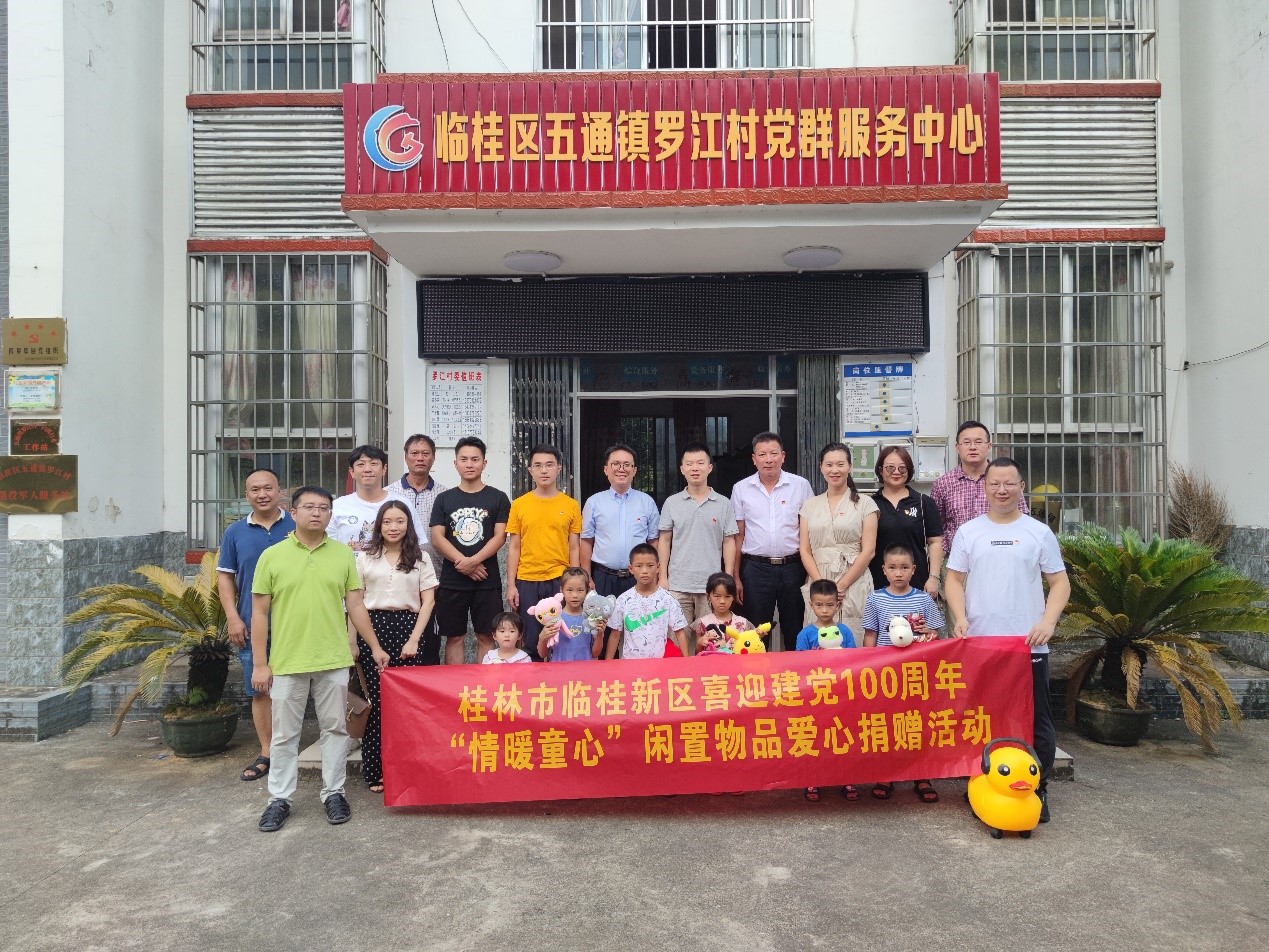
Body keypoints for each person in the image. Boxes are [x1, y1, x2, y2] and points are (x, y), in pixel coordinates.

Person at [251, 486, 389, 833]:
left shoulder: (343, 555)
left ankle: (334, 792)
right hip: (287, 661)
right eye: (309, 507)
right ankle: (279, 799)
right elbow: (259, 613)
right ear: (293, 512)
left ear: (330, 514)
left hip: (333, 659)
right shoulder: (272, 556)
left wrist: (374, 646)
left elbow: (355, 604)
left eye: (324, 508)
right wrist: (260, 664)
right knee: (285, 735)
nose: (317, 512)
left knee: (336, 730)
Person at [944, 457, 1070, 824]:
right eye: (995, 483)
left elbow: (1060, 583)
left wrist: (1048, 622)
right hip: (981, 643)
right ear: (984, 488)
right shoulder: (969, 532)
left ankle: (1037, 787)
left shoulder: (1038, 532)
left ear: (1021, 487)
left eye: (1009, 483)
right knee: (980, 716)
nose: (1002, 490)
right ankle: (981, 784)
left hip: (1027, 644)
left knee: (1036, 719)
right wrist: (960, 617)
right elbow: (954, 579)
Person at [216, 467, 295, 783]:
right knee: (261, 689)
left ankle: (292, 749)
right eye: (255, 489)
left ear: (280, 491)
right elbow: (226, 577)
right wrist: (233, 617)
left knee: (298, 689)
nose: (262, 494)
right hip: (252, 624)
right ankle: (267, 752)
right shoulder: (235, 532)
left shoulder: (297, 525)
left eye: (268, 488)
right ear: (247, 494)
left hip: (296, 625)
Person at [354, 500, 438, 795]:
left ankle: (406, 768)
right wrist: (355, 641)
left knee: (406, 705)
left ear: (408, 525)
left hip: (408, 629)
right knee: (377, 703)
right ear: (379, 525)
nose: (393, 527)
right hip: (372, 629)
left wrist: (414, 639)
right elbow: (355, 603)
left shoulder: (420, 557)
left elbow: (428, 601)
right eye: (387, 521)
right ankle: (375, 768)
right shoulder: (365, 557)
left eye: (400, 521)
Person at [862, 543, 945, 804]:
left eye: (904, 568)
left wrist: (928, 630)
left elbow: (937, 635)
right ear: (884, 570)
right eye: (893, 567)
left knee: (918, 724)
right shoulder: (875, 598)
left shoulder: (923, 599)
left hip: (916, 674)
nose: (899, 573)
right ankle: (886, 774)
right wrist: (867, 666)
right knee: (887, 725)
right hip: (885, 675)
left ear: (914, 570)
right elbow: (870, 634)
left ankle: (922, 775)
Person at [430, 437, 512, 666]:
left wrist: (473, 561)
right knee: (454, 637)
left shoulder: (498, 497)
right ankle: (455, 685)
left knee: (486, 635)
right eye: (464, 459)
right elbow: (437, 538)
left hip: (487, 578)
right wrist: (464, 564)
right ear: (455, 463)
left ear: (484, 463)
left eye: (475, 459)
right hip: (452, 579)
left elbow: (500, 537)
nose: (469, 464)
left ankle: (483, 685)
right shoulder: (444, 499)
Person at [731, 432, 813, 651]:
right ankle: (759, 673)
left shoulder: (800, 486)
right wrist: (736, 576)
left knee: (795, 628)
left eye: (774, 453)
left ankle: (796, 672)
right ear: (754, 459)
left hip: (793, 567)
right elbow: (738, 535)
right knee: (756, 633)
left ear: (783, 456)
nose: (769, 459)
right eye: (762, 454)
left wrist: (809, 571)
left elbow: (809, 532)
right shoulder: (741, 489)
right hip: (755, 569)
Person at [506, 444, 582, 661]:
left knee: (563, 638)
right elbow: (514, 547)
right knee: (531, 641)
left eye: (549, 465)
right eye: (538, 465)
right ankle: (534, 681)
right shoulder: (519, 505)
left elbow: (574, 546)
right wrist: (511, 584)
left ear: (559, 468)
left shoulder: (571, 505)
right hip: (527, 580)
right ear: (530, 470)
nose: (544, 470)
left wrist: (575, 581)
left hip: (560, 580)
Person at [657, 442, 739, 639]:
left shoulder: (723, 503)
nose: (695, 468)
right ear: (682, 469)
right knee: (678, 641)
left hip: (712, 587)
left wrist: (727, 577)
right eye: (690, 463)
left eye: (700, 463)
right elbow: (664, 540)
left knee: (712, 642)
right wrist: (663, 578)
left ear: (709, 467)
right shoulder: (672, 502)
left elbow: (729, 541)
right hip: (677, 585)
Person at [798, 442, 878, 638]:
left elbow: (869, 550)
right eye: (829, 465)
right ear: (821, 467)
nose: (835, 470)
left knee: (854, 634)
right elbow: (805, 550)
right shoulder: (809, 505)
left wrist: (841, 585)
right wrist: (822, 586)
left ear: (850, 466)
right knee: (818, 637)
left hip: (853, 578)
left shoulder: (866, 504)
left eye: (840, 464)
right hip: (819, 576)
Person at [386, 433, 448, 666]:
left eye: (425, 453)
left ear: (433, 457)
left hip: (434, 576)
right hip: (396, 577)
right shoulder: (389, 493)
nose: (420, 458)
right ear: (406, 457)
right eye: (414, 453)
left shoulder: (445, 495)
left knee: (430, 638)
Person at [795, 578, 858, 802]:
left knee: (842, 735)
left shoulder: (844, 632)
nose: (824, 610)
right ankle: (812, 779)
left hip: (839, 695)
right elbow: (799, 666)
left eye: (830, 605)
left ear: (837, 605)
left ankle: (847, 778)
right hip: (815, 696)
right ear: (811, 604)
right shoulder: (805, 635)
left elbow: (854, 660)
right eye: (819, 605)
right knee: (815, 737)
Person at [931, 421, 1028, 557]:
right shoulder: (943, 483)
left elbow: (1022, 518)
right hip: (956, 558)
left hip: (1001, 555)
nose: (972, 447)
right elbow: (935, 526)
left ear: (989, 446)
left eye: (978, 442)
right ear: (957, 447)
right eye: (966, 442)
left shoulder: (1006, 479)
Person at [580, 443, 660, 599]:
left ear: (634, 470)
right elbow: (587, 541)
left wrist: (654, 575)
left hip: (638, 578)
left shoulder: (647, 502)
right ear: (606, 470)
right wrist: (587, 577)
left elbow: (653, 541)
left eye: (627, 465)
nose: (621, 469)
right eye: (616, 464)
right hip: (603, 578)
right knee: (603, 616)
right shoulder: (594, 502)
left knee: (639, 616)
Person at [869, 445, 944, 597]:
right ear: (880, 470)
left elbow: (935, 542)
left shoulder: (924, 502)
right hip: (878, 582)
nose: (896, 472)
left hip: (916, 581)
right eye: (890, 468)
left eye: (902, 468)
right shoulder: (870, 504)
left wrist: (933, 577)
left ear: (909, 470)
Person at [604, 543, 689, 659]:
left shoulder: (668, 599)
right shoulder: (623, 600)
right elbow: (615, 634)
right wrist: (608, 663)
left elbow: (679, 632)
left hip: (659, 665)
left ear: (658, 567)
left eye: (650, 565)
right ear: (631, 569)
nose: (644, 571)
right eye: (639, 566)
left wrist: (686, 661)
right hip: (630, 665)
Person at [328, 444, 391, 550]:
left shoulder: (401, 503)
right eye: (361, 464)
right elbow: (328, 547)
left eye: (374, 464)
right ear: (351, 471)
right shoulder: (337, 506)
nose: (367, 469)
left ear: (384, 469)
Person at [538, 567, 601, 661]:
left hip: (584, 669)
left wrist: (600, 634)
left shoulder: (591, 618)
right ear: (561, 590)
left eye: (580, 590)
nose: (575, 595)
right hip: (558, 669)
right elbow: (542, 654)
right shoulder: (554, 618)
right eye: (570, 590)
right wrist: (542, 637)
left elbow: (595, 653)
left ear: (587, 590)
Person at [689, 571, 753, 653]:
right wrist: (700, 642)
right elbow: (698, 652)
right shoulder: (702, 623)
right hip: (711, 661)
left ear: (733, 597)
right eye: (717, 596)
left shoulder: (743, 623)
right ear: (708, 597)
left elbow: (750, 647)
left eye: (727, 596)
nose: (722, 601)